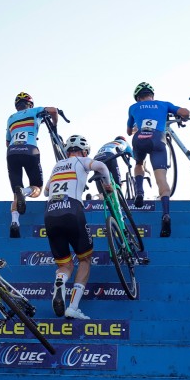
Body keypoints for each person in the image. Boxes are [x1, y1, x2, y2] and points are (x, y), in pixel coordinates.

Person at [44, 135, 111, 320]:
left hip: (50, 213)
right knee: (85, 259)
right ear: (83, 151)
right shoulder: (82, 161)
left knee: (65, 264)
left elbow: (46, 191)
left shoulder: (57, 166)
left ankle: (61, 280)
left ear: (67, 151)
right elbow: (102, 167)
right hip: (72, 210)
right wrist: (107, 184)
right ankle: (72, 307)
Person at [127, 82, 190, 237]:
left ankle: (139, 191)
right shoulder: (164, 104)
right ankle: (166, 214)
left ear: (138, 98)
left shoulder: (133, 107)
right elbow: (185, 112)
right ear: (152, 95)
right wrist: (183, 116)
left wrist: (136, 127)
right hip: (158, 138)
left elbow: (129, 131)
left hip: (140, 137)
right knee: (161, 179)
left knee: (139, 163)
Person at [5, 91, 58, 238]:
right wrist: (54, 124)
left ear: (17, 106)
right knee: (37, 187)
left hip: (12, 152)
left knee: (16, 191)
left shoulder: (11, 118)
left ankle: (15, 221)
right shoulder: (35, 111)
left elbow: (7, 142)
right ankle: (26, 192)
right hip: (30, 149)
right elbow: (53, 110)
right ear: (30, 104)